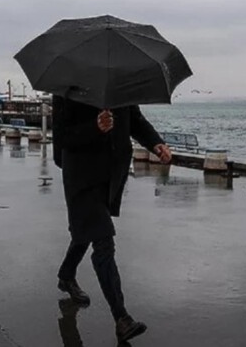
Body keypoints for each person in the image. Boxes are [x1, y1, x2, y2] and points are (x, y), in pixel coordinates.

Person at [52, 96, 172, 342]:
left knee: (86, 231)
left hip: (109, 178)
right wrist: (94, 127)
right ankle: (121, 318)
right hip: (81, 178)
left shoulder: (120, 83)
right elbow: (62, 137)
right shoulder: (68, 87)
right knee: (103, 240)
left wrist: (156, 143)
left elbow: (135, 120)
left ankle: (66, 275)